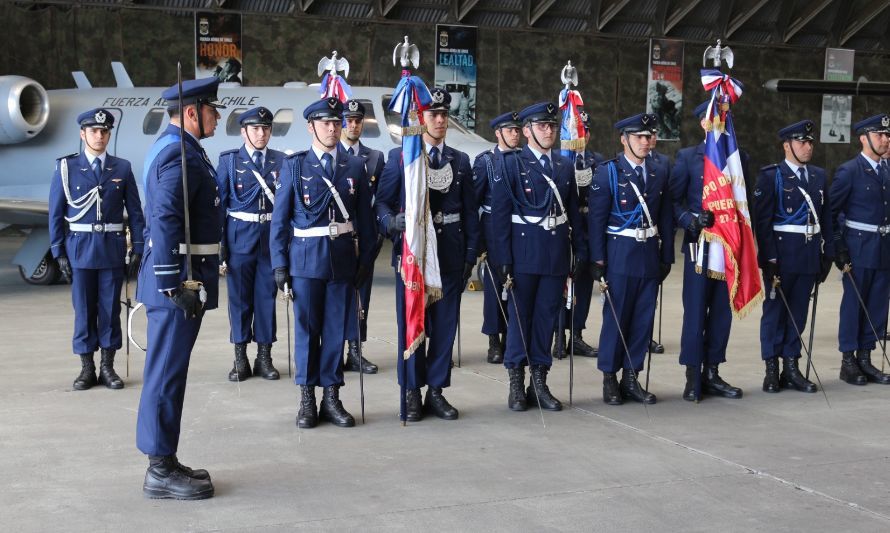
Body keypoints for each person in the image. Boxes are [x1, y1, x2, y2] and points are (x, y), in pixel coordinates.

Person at [135, 77, 225, 499]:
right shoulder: (180, 154)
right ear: (192, 112)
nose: (217, 116)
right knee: (166, 375)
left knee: (170, 373)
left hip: (182, 281)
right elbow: (165, 217)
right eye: (212, 108)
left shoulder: (178, 148)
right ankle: (158, 469)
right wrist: (174, 285)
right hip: (178, 286)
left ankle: (165, 458)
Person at [270, 97, 376, 428]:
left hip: (342, 260)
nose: (333, 128)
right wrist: (280, 264)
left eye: (336, 122)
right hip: (305, 261)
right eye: (325, 122)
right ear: (311, 127)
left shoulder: (355, 166)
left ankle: (331, 396)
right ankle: (307, 398)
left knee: (335, 332)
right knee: (306, 331)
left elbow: (366, 222)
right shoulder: (295, 166)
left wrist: (366, 261)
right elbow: (280, 221)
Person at [376, 87, 479, 421]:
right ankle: (411, 392)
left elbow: (469, 213)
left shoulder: (460, 161)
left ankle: (436, 390)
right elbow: (380, 202)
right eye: (433, 114)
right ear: (420, 118)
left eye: (444, 115)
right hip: (414, 259)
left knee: (445, 329)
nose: (439, 120)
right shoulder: (401, 157)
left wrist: (469, 256)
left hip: (448, 256)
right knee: (412, 326)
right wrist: (390, 222)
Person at [488, 101, 586, 412]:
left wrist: (579, 250)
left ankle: (539, 382)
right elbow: (499, 217)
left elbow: (573, 215)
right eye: (542, 126)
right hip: (523, 254)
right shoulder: (511, 164)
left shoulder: (564, 166)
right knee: (519, 320)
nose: (549, 131)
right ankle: (516, 382)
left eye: (552, 126)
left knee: (546, 320)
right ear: (527, 131)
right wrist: (502, 258)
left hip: (555, 255)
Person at [48, 108, 145, 391]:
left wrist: (137, 247)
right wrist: (58, 252)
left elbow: (136, 213)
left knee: (110, 309)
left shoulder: (122, 168)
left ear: (109, 134)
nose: (99, 136)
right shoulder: (66, 168)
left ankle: (108, 367)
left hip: (112, 251)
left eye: (104, 132)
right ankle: (87, 368)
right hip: (79, 250)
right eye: (93, 131)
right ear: (83, 134)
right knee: (84, 311)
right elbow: (56, 213)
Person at [588, 113, 673, 405]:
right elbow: (596, 221)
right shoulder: (608, 172)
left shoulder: (660, 170)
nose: (646, 142)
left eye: (650, 136)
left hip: (648, 252)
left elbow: (665, 215)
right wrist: (598, 262)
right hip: (620, 253)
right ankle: (610, 378)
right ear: (624, 140)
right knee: (616, 317)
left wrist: (667, 256)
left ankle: (631, 377)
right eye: (639, 137)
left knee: (642, 320)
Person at [670, 101, 747, 402]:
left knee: (721, 314)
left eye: (723, 117)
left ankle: (712, 371)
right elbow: (674, 202)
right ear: (703, 123)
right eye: (713, 117)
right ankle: (693, 374)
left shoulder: (738, 159)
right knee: (695, 312)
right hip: (699, 247)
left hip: (728, 248)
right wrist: (691, 220)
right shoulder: (689, 158)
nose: (718, 122)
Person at [753, 120, 833, 393]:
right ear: (787, 146)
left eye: (810, 142)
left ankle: (791, 366)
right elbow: (762, 224)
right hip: (782, 256)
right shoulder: (770, 176)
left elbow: (827, 219)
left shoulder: (819, 176)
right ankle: (771, 368)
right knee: (775, 312)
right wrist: (769, 260)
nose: (808, 147)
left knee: (798, 312)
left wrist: (827, 255)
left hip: (808, 254)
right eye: (802, 142)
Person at [217, 106, 282, 382]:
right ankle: (240, 357)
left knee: (266, 299)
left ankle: (264, 357)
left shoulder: (282, 161)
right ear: (244, 132)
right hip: (239, 240)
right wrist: (220, 248)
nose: (261, 133)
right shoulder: (230, 162)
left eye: (265, 128)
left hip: (270, 240)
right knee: (240, 300)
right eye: (255, 128)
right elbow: (219, 208)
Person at [829, 113, 890, 386]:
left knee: (877, 305)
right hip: (858, 247)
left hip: (884, 248)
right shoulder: (849, 171)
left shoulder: (887, 171)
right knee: (854, 306)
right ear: (864, 138)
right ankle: (848, 361)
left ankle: (866, 358)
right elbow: (830, 213)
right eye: (880, 135)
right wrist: (839, 248)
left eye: (887, 135)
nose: (886, 140)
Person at [553, 109, 603, 360]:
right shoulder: (558, 159)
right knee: (560, 284)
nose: (579, 137)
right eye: (574, 132)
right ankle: (558, 335)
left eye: (583, 132)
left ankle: (577, 335)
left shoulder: (598, 162)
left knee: (583, 286)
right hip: (563, 229)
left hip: (589, 229)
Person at [473, 110, 522, 364]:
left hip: (519, 228)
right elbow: (475, 202)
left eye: (517, 130)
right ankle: (494, 339)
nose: (515, 134)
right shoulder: (486, 162)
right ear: (498, 133)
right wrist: (478, 240)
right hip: (493, 228)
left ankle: (511, 338)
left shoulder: (526, 160)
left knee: (516, 286)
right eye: (510, 130)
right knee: (494, 287)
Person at [340, 98, 383, 375]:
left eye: (358, 120)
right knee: (335, 296)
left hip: (364, 238)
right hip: (338, 238)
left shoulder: (376, 158)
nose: (353, 125)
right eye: (348, 120)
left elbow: (380, 200)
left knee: (361, 297)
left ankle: (355, 351)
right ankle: (333, 351)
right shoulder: (331, 155)